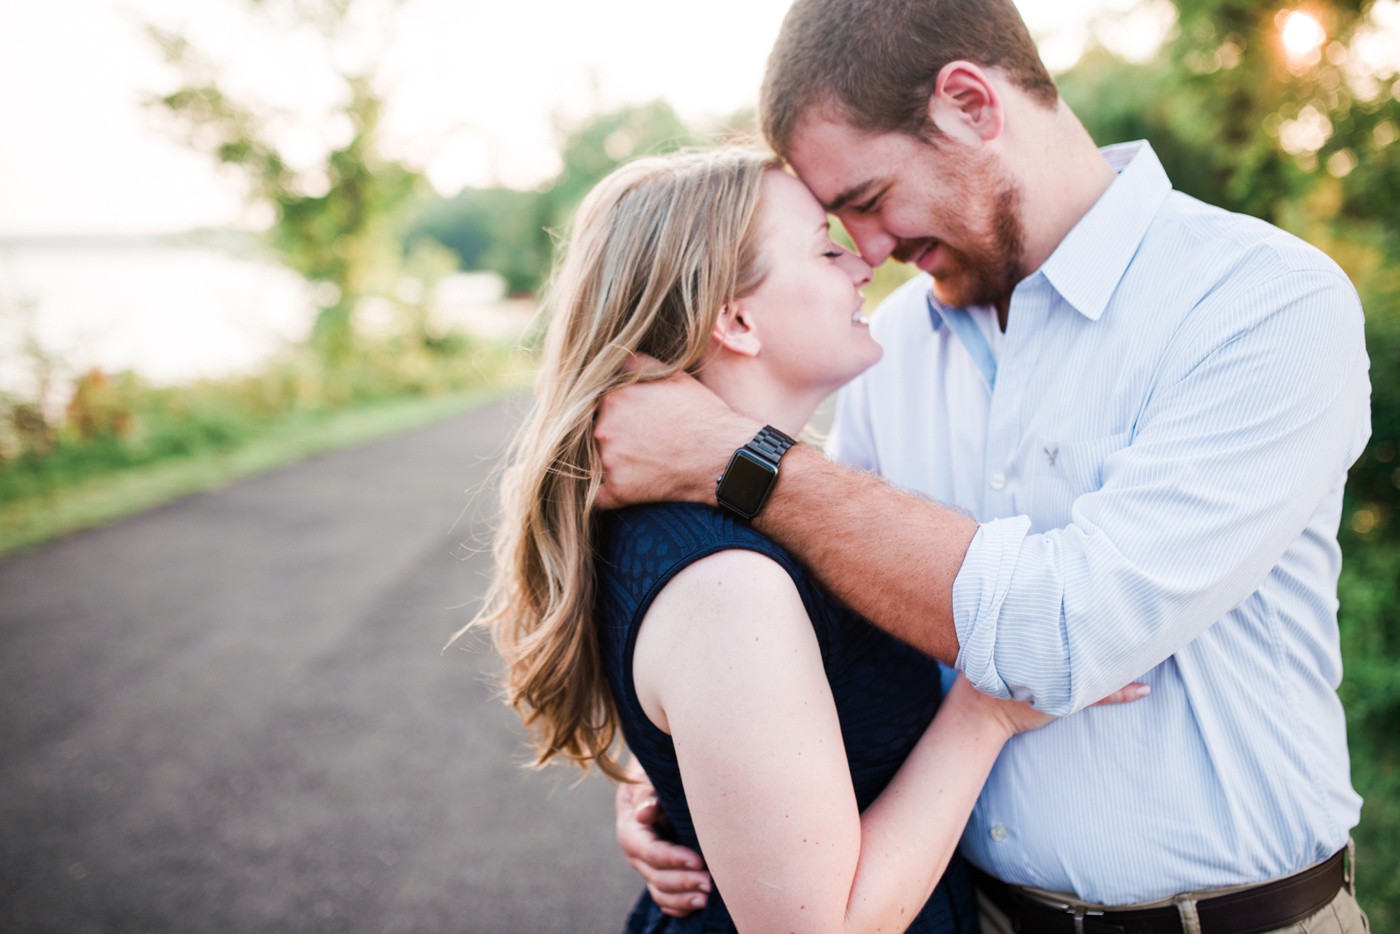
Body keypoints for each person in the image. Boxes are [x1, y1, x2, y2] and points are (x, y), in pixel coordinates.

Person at [595, 0, 1372, 931]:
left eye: (870, 201)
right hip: (968, 914)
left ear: (970, 103)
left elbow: (1061, 638)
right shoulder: (894, 349)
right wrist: (682, 765)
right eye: (838, 226)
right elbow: (835, 622)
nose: (871, 254)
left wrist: (735, 458)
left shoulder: (1259, 305)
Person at [465, 148, 1145, 934]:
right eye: (825, 248)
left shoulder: (757, 517)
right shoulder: (726, 582)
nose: (863, 265)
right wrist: (984, 714)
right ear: (737, 321)